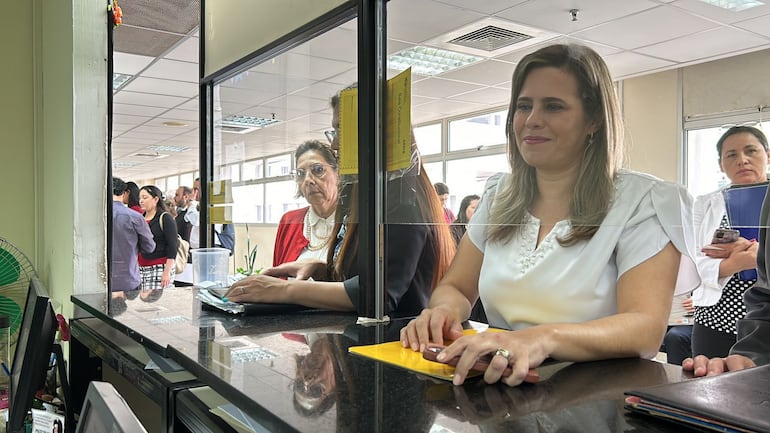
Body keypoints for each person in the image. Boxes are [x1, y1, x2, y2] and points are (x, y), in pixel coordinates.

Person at [399, 43, 697, 387]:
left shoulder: (644, 200)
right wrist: (444, 312)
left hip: (596, 396)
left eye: (553, 107)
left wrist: (541, 338)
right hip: (502, 384)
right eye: (523, 106)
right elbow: (457, 286)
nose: (532, 120)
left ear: (594, 120)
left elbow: (644, 328)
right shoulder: (499, 196)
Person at [225, 87, 456, 318]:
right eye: (333, 131)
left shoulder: (404, 199)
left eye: (341, 131)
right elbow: (361, 275)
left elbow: (379, 295)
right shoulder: (362, 194)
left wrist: (286, 289)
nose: (335, 145)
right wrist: (322, 269)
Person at [690, 126, 768, 359]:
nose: (742, 160)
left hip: (766, 322)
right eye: (731, 155)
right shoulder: (703, 205)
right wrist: (735, 263)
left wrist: (760, 256)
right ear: (721, 164)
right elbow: (690, 262)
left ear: (768, 155)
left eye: (751, 151)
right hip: (714, 320)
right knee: (708, 387)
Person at [273, 140, 340, 265]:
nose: (308, 180)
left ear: (337, 173)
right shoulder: (289, 221)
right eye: (301, 173)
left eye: (318, 170)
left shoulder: (351, 222)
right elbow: (278, 277)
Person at [110, 177, 155, 292]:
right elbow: (149, 247)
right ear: (124, 193)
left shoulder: (95, 216)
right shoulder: (135, 217)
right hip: (128, 279)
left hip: (99, 280)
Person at [138, 185, 178, 291]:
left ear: (156, 199)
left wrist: (167, 272)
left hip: (160, 267)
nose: (141, 201)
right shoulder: (140, 218)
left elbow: (173, 246)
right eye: (140, 198)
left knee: (155, 301)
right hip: (141, 267)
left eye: (145, 198)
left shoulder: (165, 218)